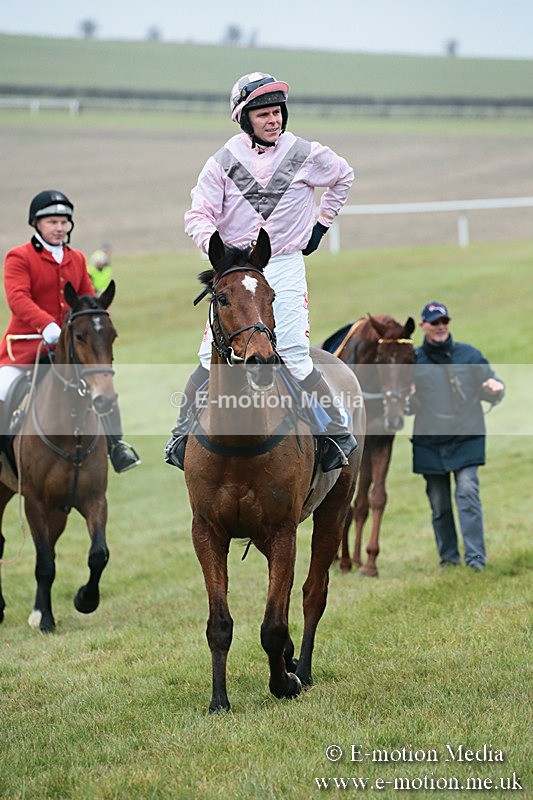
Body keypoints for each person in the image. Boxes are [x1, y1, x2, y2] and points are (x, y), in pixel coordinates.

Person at [165, 71, 357, 471]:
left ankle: (336, 430)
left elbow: (343, 177)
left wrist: (322, 224)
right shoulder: (221, 162)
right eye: (263, 114)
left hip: (283, 264)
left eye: (277, 112)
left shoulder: (307, 153)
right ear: (245, 120)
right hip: (236, 269)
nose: (273, 120)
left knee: (294, 354)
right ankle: (181, 432)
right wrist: (216, 251)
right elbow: (197, 214)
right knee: (208, 357)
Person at [0, 190, 140, 474]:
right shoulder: (19, 257)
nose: (59, 228)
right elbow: (18, 298)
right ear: (37, 224)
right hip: (25, 350)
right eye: (52, 222)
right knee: (3, 390)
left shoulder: (76, 258)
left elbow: (87, 298)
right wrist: (47, 325)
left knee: (103, 385)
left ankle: (116, 447)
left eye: (64, 222)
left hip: (71, 349)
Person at [408, 301, 505, 571]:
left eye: (444, 321)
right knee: (439, 505)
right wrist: (407, 398)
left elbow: (493, 385)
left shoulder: (469, 355)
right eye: (435, 322)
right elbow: (403, 407)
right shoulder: (413, 361)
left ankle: (475, 560)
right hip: (429, 442)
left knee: (467, 492)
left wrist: (496, 388)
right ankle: (449, 560)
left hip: (466, 437)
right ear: (423, 325)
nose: (441, 327)